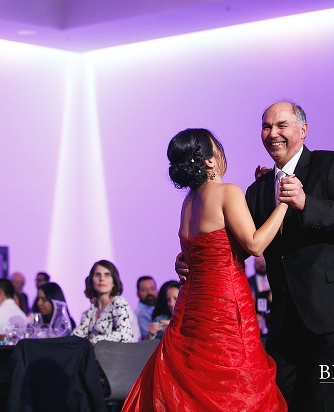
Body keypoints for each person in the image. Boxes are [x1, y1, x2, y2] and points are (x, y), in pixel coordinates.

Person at [173, 102, 334, 410]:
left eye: (281, 125)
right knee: (280, 401)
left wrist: (305, 202)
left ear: (303, 130)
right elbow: (245, 244)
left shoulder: (331, 164)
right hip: (288, 320)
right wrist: (195, 255)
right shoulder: (257, 190)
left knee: (333, 405)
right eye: (266, 127)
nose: (273, 134)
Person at [123, 128, 287, 411]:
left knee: (194, 379)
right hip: (225, 304)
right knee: (235, 384)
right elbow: (255, 244)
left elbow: (212, 247)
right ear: (210, 160)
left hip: (191, 307)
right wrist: (284, 204)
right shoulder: (227, 192)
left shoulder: (188, 202)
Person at [72, 260, 137, 344]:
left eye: (107, 275)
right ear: (92, 280)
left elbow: (124, 335)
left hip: (115, 356)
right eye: (97, 275)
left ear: (114, 282)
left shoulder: (119, 303)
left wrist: (94, 341)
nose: (102, 279)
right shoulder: (93, 308)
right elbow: (79, 334)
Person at [248, 255, 271, 336]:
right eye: (258, 263)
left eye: (263, 262)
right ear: (254, 265)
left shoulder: (273, 278)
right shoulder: (249, 281)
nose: (261, 265)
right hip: (256, 318)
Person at [134, 276, 157, 340]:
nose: (149, 293)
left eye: (152, 289)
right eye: (144, 290)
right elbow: (151, 339)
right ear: (138, 294)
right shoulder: (140, 314)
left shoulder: (163, 307)